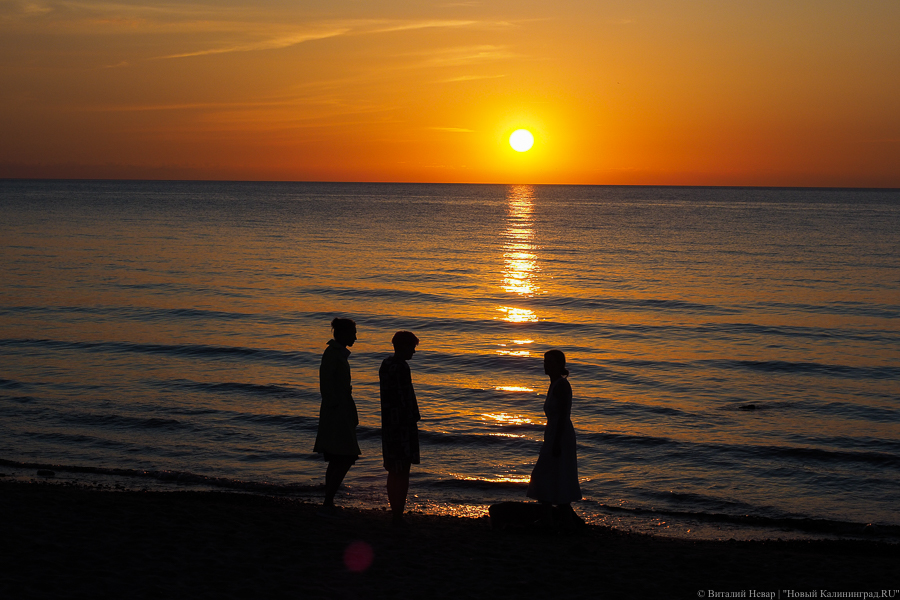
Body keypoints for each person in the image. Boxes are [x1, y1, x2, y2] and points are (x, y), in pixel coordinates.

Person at [526, 349, 582, 527]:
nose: (546, 365)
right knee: (552, 474)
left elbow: (564, 415)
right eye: (545, 362)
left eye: (550, 362)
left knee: (547, 474)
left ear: (559, 365)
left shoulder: (562, 386)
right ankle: (551, 519)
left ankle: (551, 520)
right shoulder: (554, 384)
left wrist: (556, 442)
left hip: (561, 435)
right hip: (554, 433)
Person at [314, 317, 361, 514]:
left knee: (338, 457)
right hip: (336, 412)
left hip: (341, 410)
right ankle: (328, 498)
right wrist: (336, 406)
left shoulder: (338, 354)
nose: (356, 338)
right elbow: (327, 385)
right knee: (345, 456)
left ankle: (328, 499)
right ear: (342, 334)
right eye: (353, 334)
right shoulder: (332, 354)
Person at [379, 330, 421, 526]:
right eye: (412, 347)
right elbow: (405, 398)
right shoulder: (401, 367)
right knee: (403, 470)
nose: (414, 351)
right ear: (403, 347)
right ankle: (398, 514)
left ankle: (395, 510)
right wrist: (412, 418)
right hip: (402, 425)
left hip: (389, 423)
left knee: (393, 470)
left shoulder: (386, 364)